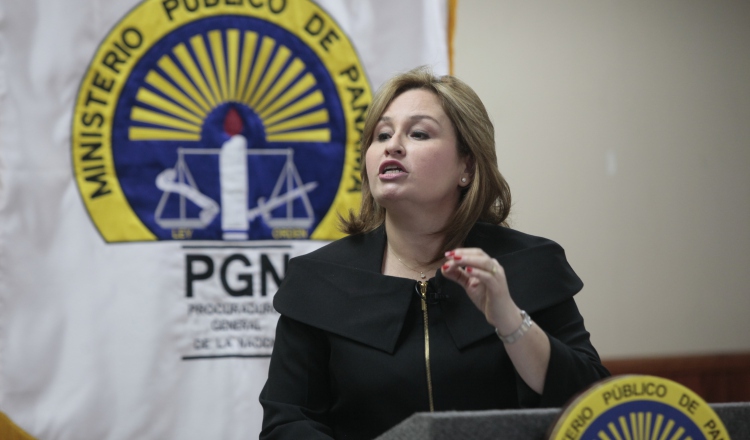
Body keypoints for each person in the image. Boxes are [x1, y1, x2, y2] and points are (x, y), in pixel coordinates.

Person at [259, 67, 609, 439]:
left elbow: (591, 407)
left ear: (467, 166)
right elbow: (288, 423)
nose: (393, 146)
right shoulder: (318, 280)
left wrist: (510, 321)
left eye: (419, 133)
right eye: (382, 135)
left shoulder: (529, 264)